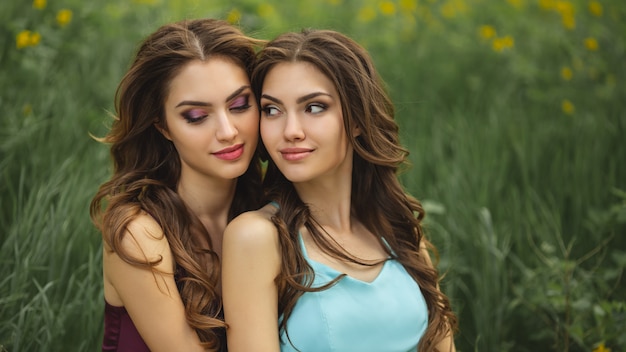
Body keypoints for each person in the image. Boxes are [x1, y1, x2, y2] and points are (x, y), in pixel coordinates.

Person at [222, 28, 458, 352]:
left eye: (314, 107)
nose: (290, 131)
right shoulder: (258, 237)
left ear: (358, 118)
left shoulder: (399, 232)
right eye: (272, 110)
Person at [90, 18, 263, 352]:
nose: (227, 130)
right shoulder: (140, 233)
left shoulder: (268, 210)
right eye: (197, 116)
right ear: (163, 127)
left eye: (240, 104)